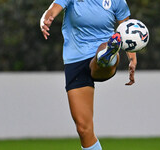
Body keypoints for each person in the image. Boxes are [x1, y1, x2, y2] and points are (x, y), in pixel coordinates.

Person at [40, 0, 137, 149]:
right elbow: (52, 9)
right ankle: (106, 56)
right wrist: (45, 19)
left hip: (102, 50)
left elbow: (127, 31)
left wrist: (132, 58)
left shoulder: (117, 1)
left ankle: (107, 56)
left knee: (102, 54)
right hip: (75, 59)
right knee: (83, 129)